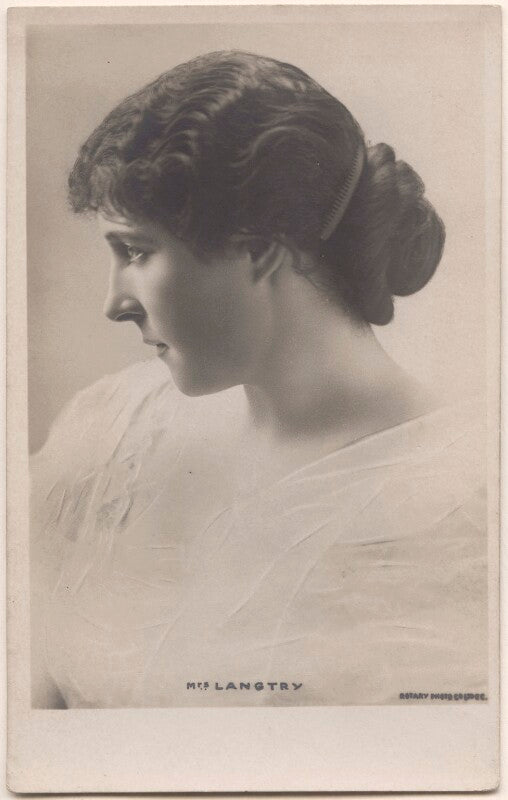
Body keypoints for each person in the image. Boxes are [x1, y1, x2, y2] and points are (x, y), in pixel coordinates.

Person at [30, 50, 488, 709]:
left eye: (136, 251)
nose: (115, 303)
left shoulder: (466, 509)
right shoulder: (106, 432)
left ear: (261, 247)